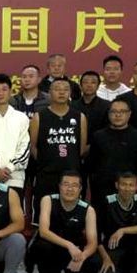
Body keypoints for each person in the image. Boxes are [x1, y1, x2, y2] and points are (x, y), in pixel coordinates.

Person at [27, 171, 102, 273]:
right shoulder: (48, 200)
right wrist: (69, 245)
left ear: (80, 189)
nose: (70, 189)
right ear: (59, 186)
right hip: (50, 248)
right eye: (66, 184)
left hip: (71, 253)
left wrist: (81, 257)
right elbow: (43, 232)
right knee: (42, 246)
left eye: (74, 185)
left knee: (95, 261)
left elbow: (93, 243)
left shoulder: (88, 210)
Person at [29, 78, 87, 220]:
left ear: (70, 93)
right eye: (57, 89)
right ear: (49, 93)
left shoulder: (79, 117)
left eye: (65, 89)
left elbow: (81, 148)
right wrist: (45, 162)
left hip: (71, 175)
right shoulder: (39, 116)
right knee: (44, 216)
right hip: (46, 175)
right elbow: (32, 146)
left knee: (70, 217)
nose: (61, 92)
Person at [86, 98, 137, 219]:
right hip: (101, 191)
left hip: (127, 190)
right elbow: (91, 163)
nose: (118, 115)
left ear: (129, 114)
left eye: (122, 111)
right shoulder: (98, 137)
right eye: (114, 111)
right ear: (108, 114)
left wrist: (130, 179)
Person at [72, 71, 110, 136]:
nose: (89, 85)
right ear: (80, 86)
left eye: (93, 82)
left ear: (98, 86)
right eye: (85, 82)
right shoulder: (72, 106)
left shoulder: (107, 106)